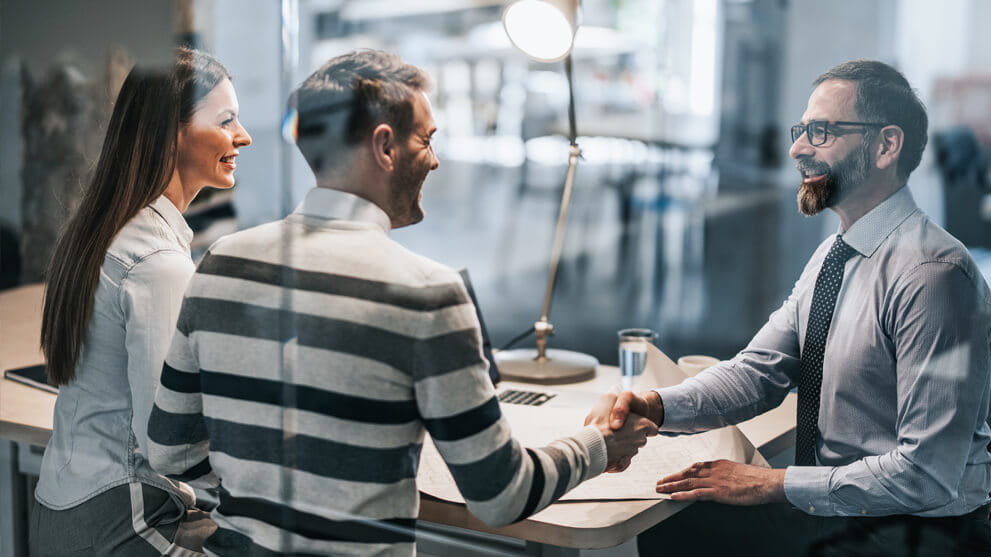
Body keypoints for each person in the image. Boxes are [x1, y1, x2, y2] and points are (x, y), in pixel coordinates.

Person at [145, 49, 657, 556]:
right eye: (426, 140)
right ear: (385, 146)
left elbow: (171, 453)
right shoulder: (426, 293)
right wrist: (600, 444)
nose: (434, 160)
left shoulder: (221, 262)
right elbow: (501, 496)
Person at [612, 59, 991, 556]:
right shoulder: (835, 254)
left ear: (886, 146)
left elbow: (926, 475)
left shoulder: (933, 275)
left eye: (821, 132)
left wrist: (770, 483)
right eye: (801, 131)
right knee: (679, 514)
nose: (797, 149)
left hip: (917, 532)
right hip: (845, 514)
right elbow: (757, 372)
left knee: (685, 527)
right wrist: (656, 407)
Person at [32, 47, 252, 556]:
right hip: (119, 523)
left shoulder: (107, 229)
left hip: (67, 506)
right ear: (171, 133)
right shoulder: (157, 264)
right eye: (225, 120)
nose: (242, 135)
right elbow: (168, 445)